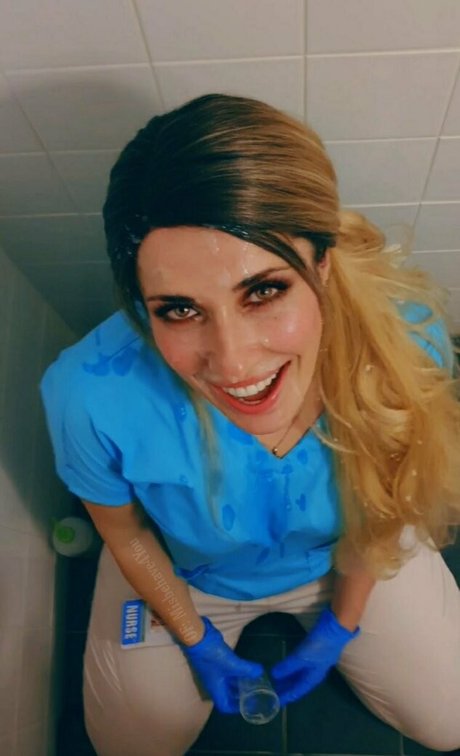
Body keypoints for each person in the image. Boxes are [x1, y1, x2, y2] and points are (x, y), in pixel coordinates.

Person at [40, 93, 460, 756]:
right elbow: (124, 533)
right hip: (192, 574)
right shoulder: (88, 392)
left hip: (345, 558)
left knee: (452, 719)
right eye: (179, 310)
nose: (233, 363)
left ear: (322, 262)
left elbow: (381, 512)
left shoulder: (402, 349)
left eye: (264, 291)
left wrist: (341, 624)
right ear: (141, 304)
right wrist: (193, 636)